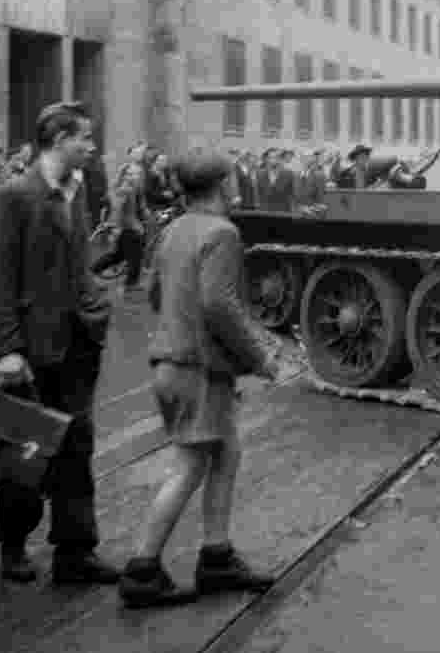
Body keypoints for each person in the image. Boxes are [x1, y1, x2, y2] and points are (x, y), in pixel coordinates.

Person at [119, 150, 278, 608]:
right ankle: (142, 569)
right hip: (197, 368)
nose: (236, 187)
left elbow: (154, 294)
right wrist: (259, 358)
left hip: (174, 364)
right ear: (222, 185)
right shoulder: (222, 232)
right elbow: (220, 306)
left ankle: (217, 556)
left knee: (226, 452)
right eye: (232, 181)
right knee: (189, 466)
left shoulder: (171, 231)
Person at [0, 101, 118, 585]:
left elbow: (79, 264)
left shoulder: (77, 191)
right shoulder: (12, 196)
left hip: (78, 344)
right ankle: (12, 546)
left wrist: (96, 306)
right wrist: (6, 350)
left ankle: (75, 551)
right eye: (85, 138)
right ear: (59, 140)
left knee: (77, 447)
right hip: (32, 351)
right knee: (25, 449)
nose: (92, 147)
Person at [91, 162, 147, 291]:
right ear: (125, 175)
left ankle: (92, 272)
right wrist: (117, 228)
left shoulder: (133, 188)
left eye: (137, 173)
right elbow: (117, 210)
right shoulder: (125, 189)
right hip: (128, 229)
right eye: (131, 174)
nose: (135, 176)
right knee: (135, 257)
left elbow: (132, 210)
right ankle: (130, 284)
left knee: (118, 256)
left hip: (129, 228)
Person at [255, 147, 297, 212]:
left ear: (279, 159)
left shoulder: (289, 174)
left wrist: (292, 210)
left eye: (275, 157)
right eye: (270, 157)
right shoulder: (260, 174)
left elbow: (292, 195)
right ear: (266, 159)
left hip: (283, 213)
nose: (273, 160)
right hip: (264, 212)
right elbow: (258, 194)